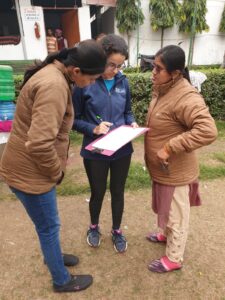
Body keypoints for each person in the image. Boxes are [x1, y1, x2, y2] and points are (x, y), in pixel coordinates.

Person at [0, 40, 106, 292]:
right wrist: (56, 172)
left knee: (46, 224)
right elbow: (38, 144)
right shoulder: (54, 85)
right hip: (31, 173)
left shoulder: (55, 73)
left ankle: (53, 257)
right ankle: (61, 280)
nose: (91, 85)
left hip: (25, 168)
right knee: (49, 226)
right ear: (76, 71)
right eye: (92, 79)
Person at [144, 45, 218, 273]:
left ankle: (174, 258)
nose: (153, 72)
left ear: (175, 73)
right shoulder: (164, 88)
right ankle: (164, 235)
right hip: (163, 169)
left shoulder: (186, 95)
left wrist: (169, 147)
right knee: (165, 208)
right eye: (153, 66)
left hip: (175, 171)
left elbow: (208, 130)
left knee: (176, 214)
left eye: (158, 68)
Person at [72, 34, 138, 253]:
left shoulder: (123, 82)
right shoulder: (85, 82)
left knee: (118, 192)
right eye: (111, 64)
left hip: (121, 149)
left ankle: (117, 230)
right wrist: (93, 128)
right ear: (102, 58)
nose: (115, 70)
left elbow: (127, 111)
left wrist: (132, 123)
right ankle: (93, 227)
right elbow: (73, 118)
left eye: (120, 66)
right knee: (98, 192)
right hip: (95, 150)